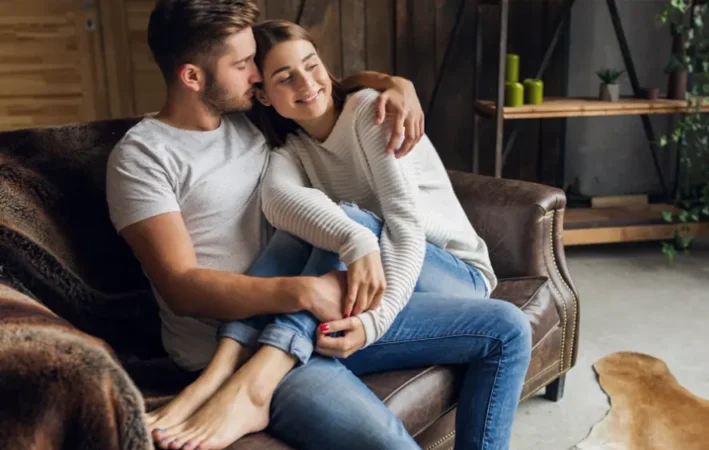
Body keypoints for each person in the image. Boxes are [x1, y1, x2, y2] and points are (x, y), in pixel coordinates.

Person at [107, 1, 532, 449]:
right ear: (193, 77)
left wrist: (394, 84)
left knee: (506, 326)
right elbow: (181, 287)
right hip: (254, 332)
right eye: (243, 64)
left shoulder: (251, 120)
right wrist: (305, 291)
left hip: (315, 314)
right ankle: (230, 380)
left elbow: (317, 82)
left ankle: (250, 379)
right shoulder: (144, 156)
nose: (255, 73)